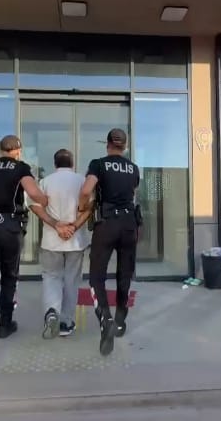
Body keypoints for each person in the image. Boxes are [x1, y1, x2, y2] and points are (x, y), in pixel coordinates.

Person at [0, 135, 48, 353]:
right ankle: (5, 324)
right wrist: (45, 200)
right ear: (18, 150)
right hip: (10, 228)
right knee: (9, 276)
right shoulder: (20, 168)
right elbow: (33, 193)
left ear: (2, 149)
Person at [78, 128, 141, 356]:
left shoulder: (98, 164)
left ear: (107, 144)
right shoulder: (133, 168)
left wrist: (82, 206)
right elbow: (132, 192)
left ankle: (106, 319)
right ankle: (121, 321)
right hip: (129, 224)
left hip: (106, 224)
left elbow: (86, 189)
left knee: (97, 276)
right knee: (124, 275)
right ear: (124, 146)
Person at [29, 149, 92, 339]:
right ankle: (66, 322)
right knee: (72, 280)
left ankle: (51, 312)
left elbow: (34, 205)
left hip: (51, 240)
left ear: (55, 164)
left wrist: (56, 225)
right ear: (72, 163)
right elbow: (89, 208)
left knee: (51, 277)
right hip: (76, 241)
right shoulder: (82, 181)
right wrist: (73, 227)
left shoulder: (45, 182)